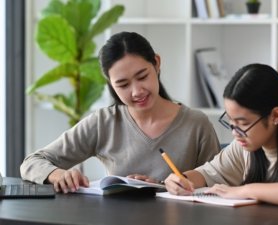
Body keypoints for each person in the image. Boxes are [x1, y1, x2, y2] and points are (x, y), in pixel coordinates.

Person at [20, 31, 220, 193]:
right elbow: (32, 162)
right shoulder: (104, 122)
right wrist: (59, 175)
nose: (137, 91)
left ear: (157, 64)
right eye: (123, 84)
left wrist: (159, 187)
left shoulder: (196, 124)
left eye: (142, 76)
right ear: (110, 84)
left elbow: (217, 187)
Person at [165, 63, 278, 207]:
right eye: (231, 122)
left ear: (275, 116)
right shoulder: (242, 147)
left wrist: (244, 190)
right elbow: (207, 174)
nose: (235, 133)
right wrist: (181, 180)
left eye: (243, 123)